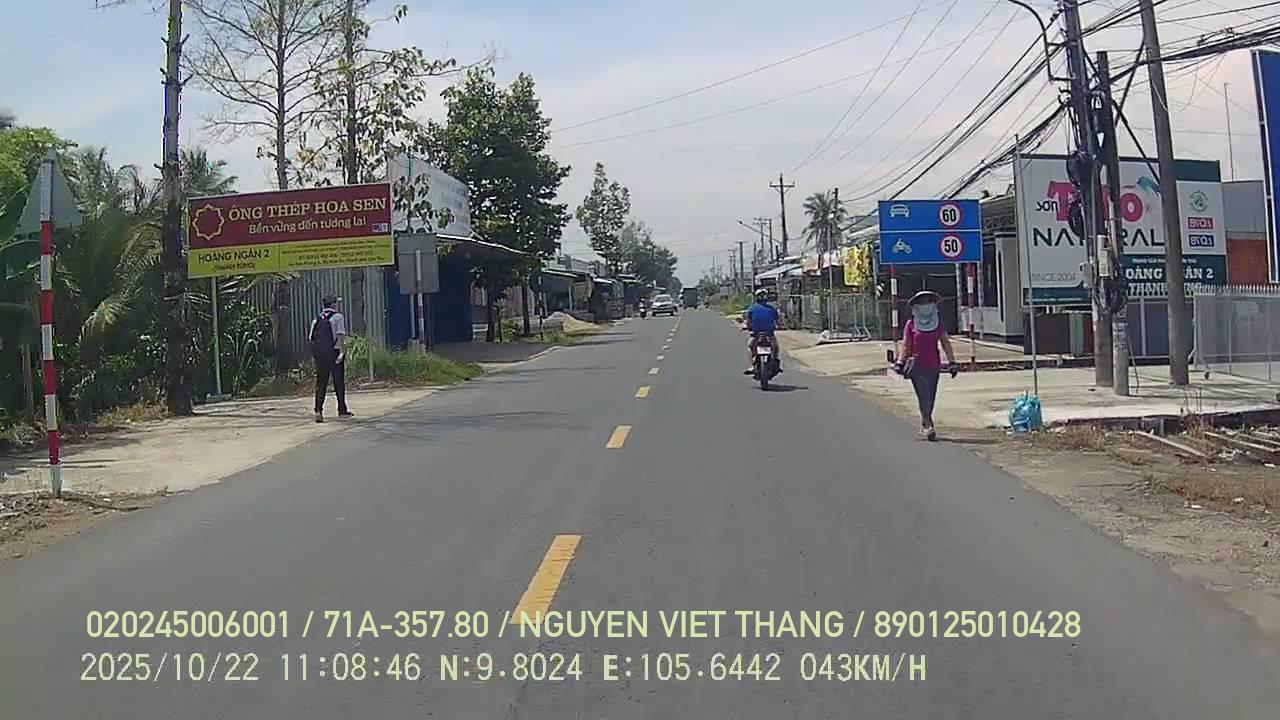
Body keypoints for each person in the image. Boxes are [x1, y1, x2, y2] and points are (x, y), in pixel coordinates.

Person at [895, 290, 958, 441]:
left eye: (929, 302)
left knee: (931, 396)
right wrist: (900, 362)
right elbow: (906, 344)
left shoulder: (937, 324)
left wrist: (952, 362)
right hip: (916, 366)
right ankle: (928, 425)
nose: (926, 305)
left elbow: (945, 342)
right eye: (922, 302)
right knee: (923, 395)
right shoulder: (911, 324)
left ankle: (925, 421)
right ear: (916, 306)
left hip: (934, 365)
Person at [310, 293, 352, 423]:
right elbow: (340, 336)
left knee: (321, 383)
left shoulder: (316, 319)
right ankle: (342, 410)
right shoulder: (338, 317)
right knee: (338, 382)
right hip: (334, 353)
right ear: (333, 304)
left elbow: (311, 338)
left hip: (320, 355)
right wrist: (341, 353)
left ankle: (318, 411)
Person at [742, 288, 782, 375]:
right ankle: (774, 361)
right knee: (776, 347)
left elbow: (748, 322)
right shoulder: (771, 309)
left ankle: (752, 365)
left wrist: (747, 327)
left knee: (750, 346)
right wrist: (779, 326)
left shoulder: (752, 309)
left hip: (756, 334)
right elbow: (778, 321)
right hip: (769, 334)